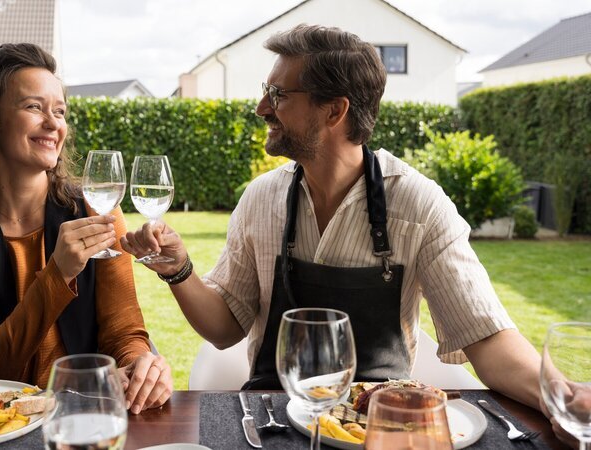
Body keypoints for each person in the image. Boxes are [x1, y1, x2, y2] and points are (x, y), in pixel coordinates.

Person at [122, 23, 545, 416]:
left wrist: (561, 396)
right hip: (272, 420)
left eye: (278, 94)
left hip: (376, 425)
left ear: (334, 111)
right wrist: (179, 269)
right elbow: (225, 330)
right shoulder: (261, 198)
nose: (261, 107)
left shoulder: (420, 205)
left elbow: (488, 340)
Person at [0, 43, 171, 414]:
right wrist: (58, 274)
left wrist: (138, 366)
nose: (54, 124)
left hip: (83, 415)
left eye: (60, 111)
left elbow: (123, 332)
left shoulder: (97, 212)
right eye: (34, 107)